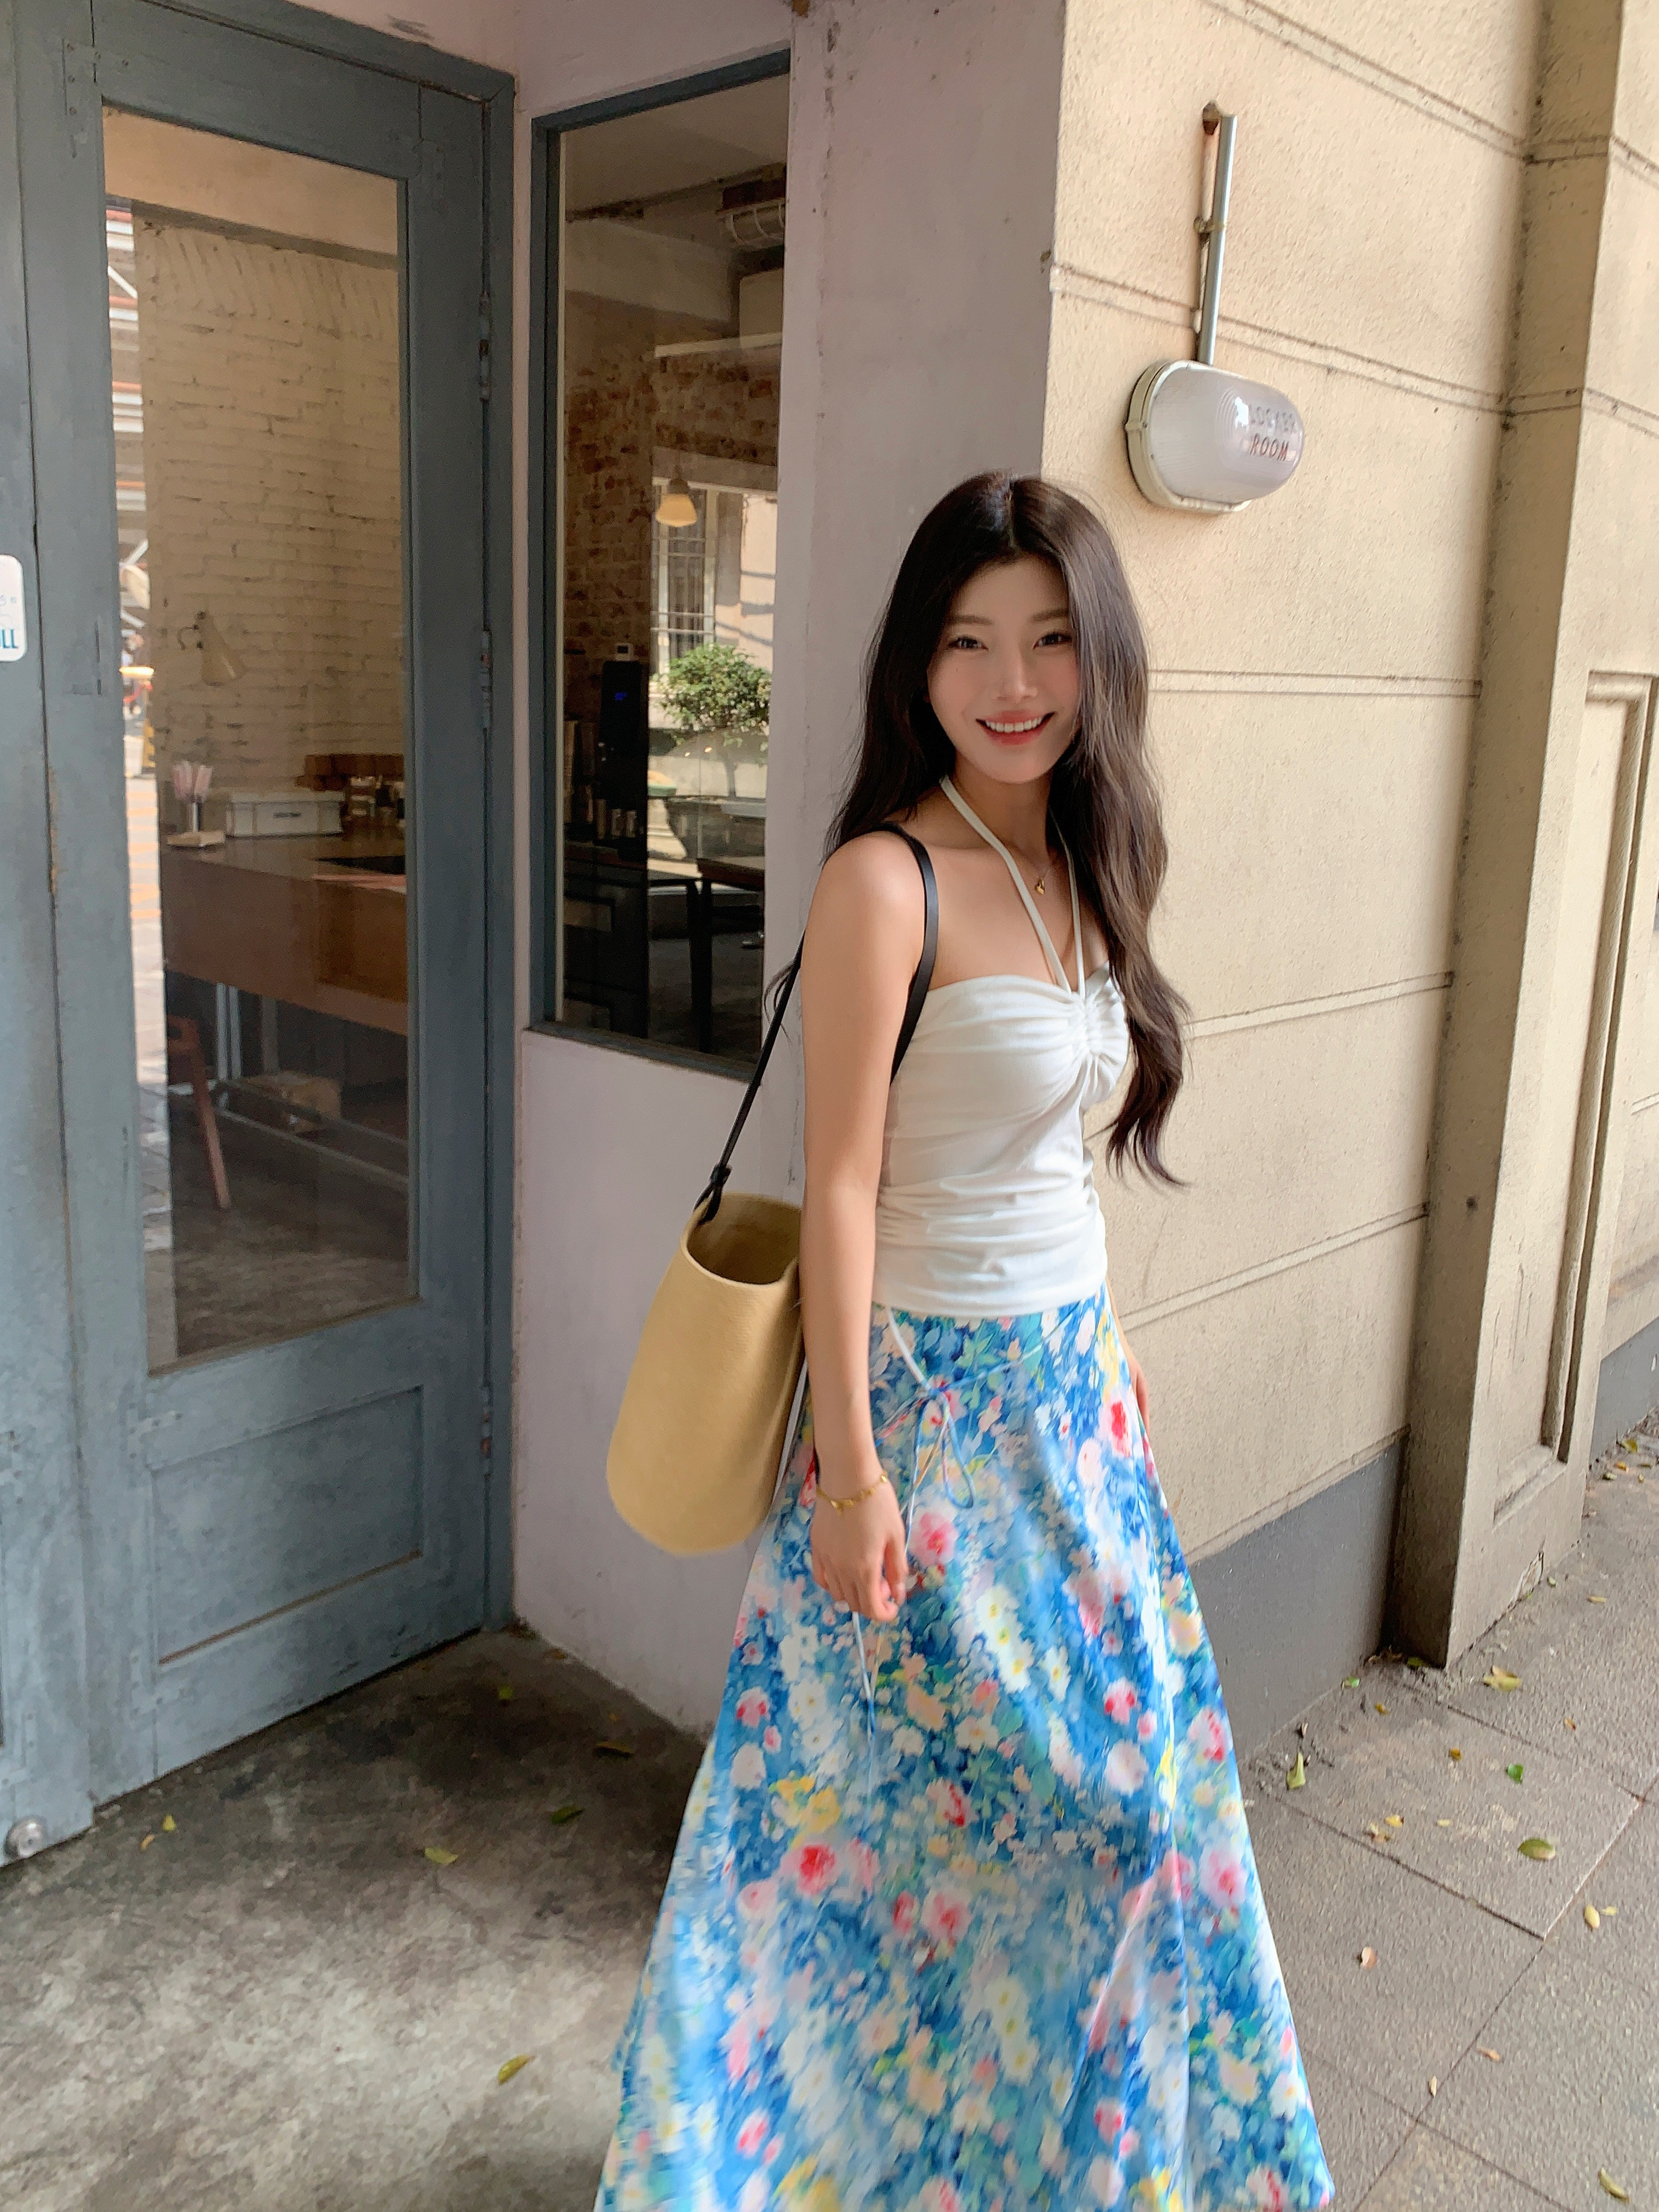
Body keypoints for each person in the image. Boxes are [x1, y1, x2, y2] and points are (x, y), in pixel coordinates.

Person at [595, 474, 1334, 2211]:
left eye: (1051, 639)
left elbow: (1058, 1156)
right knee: (885, 1845)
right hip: (923, 1422)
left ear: (1101, 657)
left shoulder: (1087, 860)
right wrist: (852, 1476)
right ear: (916, 666)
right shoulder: (886, 879)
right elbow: (841, 1185)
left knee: (1130, 1822)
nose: (1013, 683)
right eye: (968, 642)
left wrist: (1110, 1348)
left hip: (1073, 1417)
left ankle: (1034, 2166)